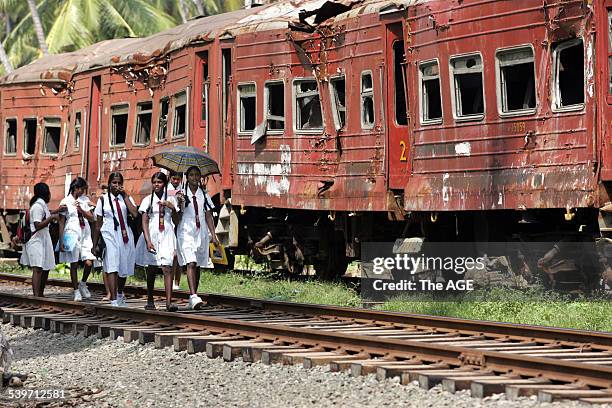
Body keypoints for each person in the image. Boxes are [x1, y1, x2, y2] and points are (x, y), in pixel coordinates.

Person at [176, 166, 219, 309]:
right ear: (187, 178)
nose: (194, 178)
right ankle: (193, 295)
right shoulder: (181, 194)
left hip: (200, 232)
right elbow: (177, 217)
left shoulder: (204, 195)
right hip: (186, 231)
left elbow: (208, 214)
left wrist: (213, 234)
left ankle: (194, 296)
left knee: (198, 264)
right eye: (191, 175)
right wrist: (180, 204)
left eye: (197, 175)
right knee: (191, 262)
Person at [92, 172, 138, 306]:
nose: (116, 185)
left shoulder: (125, 198)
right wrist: (94, 244)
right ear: (109, 184)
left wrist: (125, 196)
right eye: (114, 183)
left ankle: (119, 294)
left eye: (119, 183)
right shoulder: (103, 200)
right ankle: (113, 299)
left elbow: (134, 213)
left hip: (124, 234)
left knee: (124, 265)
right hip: (109, 233)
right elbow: (97, 224)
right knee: (112, 264)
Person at [135, 172, 180, 311]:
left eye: (159, 182)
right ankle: (150, 299)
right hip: (152, 233)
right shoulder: (148, 200)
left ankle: (168, 302)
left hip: (166, 233)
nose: (156, 185)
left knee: (167, 267)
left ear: (164, 184)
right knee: (152, 267)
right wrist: (148, 240)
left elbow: (177, 220)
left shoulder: (171, 199)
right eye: (154, 182)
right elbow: (144, 220)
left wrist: (172, 208)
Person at [20, 183, 66, 297]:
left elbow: (45, 215)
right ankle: (36, 296)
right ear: (45, 193)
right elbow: (37, 225)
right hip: (36, 240)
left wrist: (56, 211)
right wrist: (51, 218)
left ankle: (40, 294)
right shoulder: (37, 206)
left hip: (43, 239)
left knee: (45, 267)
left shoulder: (42, 205)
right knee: (38, 268)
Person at [58, 177, 96, 301]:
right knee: (73, 263)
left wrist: (82, 210)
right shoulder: (65, 201)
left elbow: (92, 218)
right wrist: (61, 240)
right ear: (75, 188)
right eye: (81, 189)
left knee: (89, 261)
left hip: (85, 232)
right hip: (72, 233)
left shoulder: (85, 200)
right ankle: (75, 291)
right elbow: (61, 222)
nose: (83, 192)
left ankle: (83, 283)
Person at [167, 171, 183, 290]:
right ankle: (171, 280)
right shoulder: (166, 190)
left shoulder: (183, 190)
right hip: (169, 223)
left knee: (178, 254)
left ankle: (177, 282)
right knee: (172, 254)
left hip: (180, 222)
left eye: (178, 179)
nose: (176, 181)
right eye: (174, 179)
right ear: (170, 178)